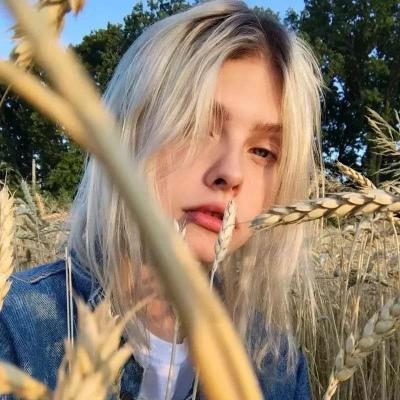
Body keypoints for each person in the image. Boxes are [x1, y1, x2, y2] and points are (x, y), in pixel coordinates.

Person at [0, 0, 323, 398]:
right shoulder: (13, 323)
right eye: (196, 125)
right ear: (127, 130)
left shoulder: (278, 365)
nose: (231, 173)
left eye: (263, 151)